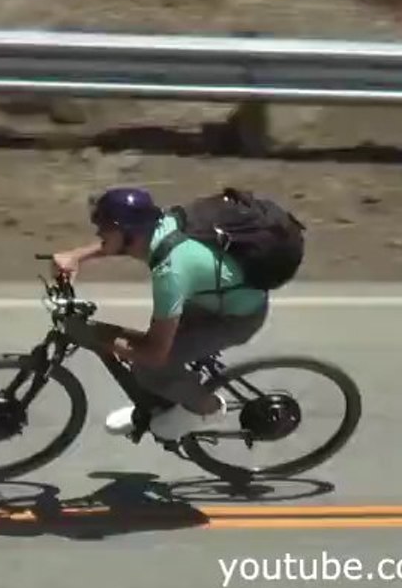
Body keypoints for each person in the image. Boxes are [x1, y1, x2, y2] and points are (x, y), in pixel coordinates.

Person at [49, 186, 270, 441]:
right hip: (212, 295)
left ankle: (206, 409)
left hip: (235, 317)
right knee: (139, 347)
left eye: (104, 227)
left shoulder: (171, 271)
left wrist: (96, 334)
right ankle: (160, 404)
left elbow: (154, 354)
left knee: (150, 367)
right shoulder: (161, 224)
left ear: (129, 233)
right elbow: (116, 242)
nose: (98, 232)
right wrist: (75, 256)